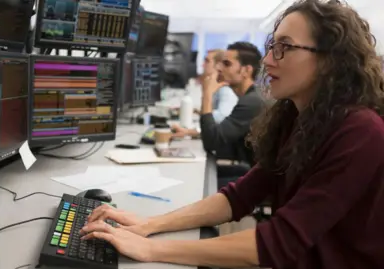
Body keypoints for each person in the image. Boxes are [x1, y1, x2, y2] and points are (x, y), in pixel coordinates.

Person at [80, 0, 384, 268]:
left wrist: (153, 249)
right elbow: (240, 197)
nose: (267, 61)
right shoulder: (298, 118)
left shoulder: (361, 133)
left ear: (329, 60)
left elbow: (280, 242)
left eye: (285, 47)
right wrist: (150, 224)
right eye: (271, 46)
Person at [174, 42, 263, 166]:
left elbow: (211, 142)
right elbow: (224, 136)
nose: (219, 68)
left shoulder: (252, 102)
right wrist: (192, 133)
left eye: (227, 64)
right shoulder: (251, 97)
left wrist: (207, 94)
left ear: (246, 70)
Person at [175, 50, 238, 123]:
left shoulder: (225, 89)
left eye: (207, 61)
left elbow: (221, 117)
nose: (202, 65)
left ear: (219, 65)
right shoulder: (206, 83)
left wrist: (199, 111)